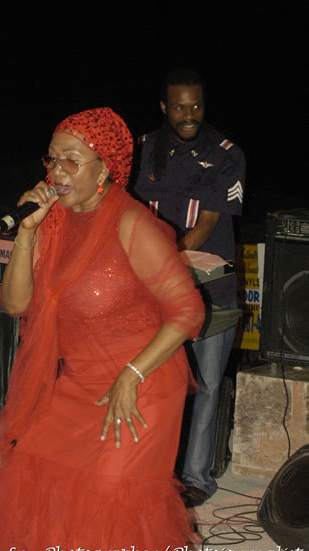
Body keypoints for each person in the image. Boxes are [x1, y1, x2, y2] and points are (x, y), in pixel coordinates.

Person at [0, 107, 207, 551]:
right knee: (36, 480)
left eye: (72, 160)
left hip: (143, 385)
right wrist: (26, 232)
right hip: (80, 383)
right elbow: (18, 303)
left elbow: (187, 311)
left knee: (105, 511)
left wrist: (132, 373)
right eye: (53, 158)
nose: (58, 170)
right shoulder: (53, 221)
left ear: (106, 169)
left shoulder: (132, 225)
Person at [134, 69, 246, 507]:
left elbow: (210, 222)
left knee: (208, 385)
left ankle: (196, 477)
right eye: (179, 106)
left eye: (195, 106)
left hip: (210, 292)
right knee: (156, 383)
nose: (188, 115)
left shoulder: (227, 154)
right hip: (151, 293)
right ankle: (152, 469)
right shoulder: (143, 151)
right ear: (164, 107)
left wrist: (167, 259)